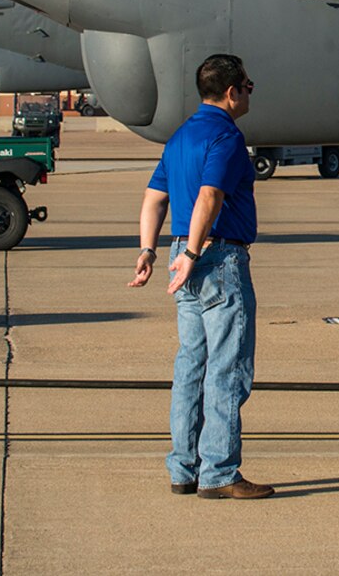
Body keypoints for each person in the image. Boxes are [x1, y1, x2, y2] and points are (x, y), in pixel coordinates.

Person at [128, 54, 272, 500]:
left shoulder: (180, 137)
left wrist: (149, 250)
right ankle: (220, 472)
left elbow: (154, 198)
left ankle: (183, 468)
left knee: (191, 364)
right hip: (216, 258)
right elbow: (210, 195)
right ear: (231, 92)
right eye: (248, 85)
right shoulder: (226, 137)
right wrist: (194, 251)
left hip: (179, 259)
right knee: (228, 370)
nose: (251, 91)